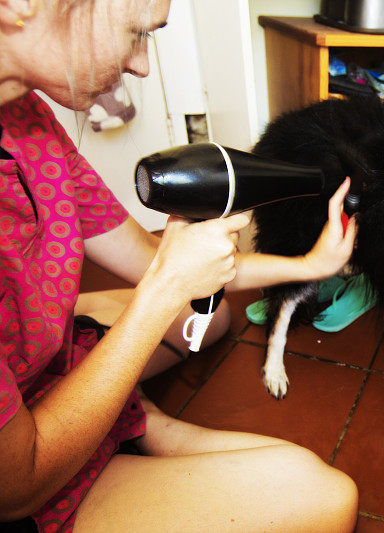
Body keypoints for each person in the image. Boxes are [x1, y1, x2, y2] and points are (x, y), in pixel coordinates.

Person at [0, 0, 359, 531]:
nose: (142, 65)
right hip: (21, 479)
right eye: (136, 32)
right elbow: (16, 487)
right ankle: (133, 421)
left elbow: (150, 261)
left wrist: (309, 263)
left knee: (208, 317)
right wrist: (165, 289)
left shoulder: (28, 119)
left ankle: (129, 413)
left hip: (40, 377)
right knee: (327, 500)